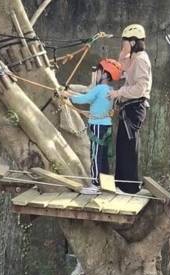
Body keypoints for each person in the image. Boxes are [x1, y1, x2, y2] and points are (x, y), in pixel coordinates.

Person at [61, 58, 122, 195]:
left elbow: (85, 99)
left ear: (105, 75)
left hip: (98, 126)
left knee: (95, 155)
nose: (96, 75)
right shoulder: (110, 89)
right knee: (102, 156)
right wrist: (71, 94)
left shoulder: (100, 88)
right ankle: (104, 183)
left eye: (99, 72)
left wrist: (67, 96)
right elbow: (89, 96)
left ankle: (94, 184)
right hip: (106, 126)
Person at [109, 23, 152, 194]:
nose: (123, 44)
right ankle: (121, 183)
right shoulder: (134, 57)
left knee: (129, 146)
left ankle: (130, 187)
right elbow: (121, 72)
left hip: (135, 107)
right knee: (122, 145)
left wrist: (119, 92)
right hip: (128, 107)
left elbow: (140, 88)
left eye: (125, 41)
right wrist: (123, 55)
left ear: (133, 42)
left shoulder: (141, 59)